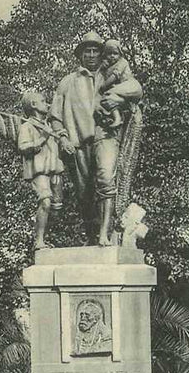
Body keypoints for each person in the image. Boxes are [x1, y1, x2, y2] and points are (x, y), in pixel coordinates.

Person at [50, 31, 142, 247]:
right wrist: (63, 137)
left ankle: (105, 235)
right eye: (87, 51)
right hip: (78, 142)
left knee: (106, 180)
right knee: (84, 195)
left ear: (101, 54)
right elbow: (54, 117)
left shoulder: (110, 75)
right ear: (80, 55)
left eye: (95, 51)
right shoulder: (67, 82)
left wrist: (118, 96)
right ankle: (93, 236)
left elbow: (137, 88)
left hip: (106, 136)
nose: (91, 55)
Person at [17, 91, 64, 250]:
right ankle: (39, 241)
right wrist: (43, 138)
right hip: (39, 171)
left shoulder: (49, 126)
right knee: (45, 201)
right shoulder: (27, 126)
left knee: (56, 208)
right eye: (43, 101)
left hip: (54, 170)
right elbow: (23, 146)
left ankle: (44, 237)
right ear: (33, 105)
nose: (47, 104)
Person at [95, 39, 134, 128]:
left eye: (115, 53)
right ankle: (114, 117)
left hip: (127, 85)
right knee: (107, 100)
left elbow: (115, 76)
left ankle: (118, 118)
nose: (112, 56)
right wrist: (102, 67)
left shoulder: (122, 62)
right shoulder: (108, 65)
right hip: (118, 88)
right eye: (109, 54)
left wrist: (104, 86)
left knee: (107, 97)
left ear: (120, 54)